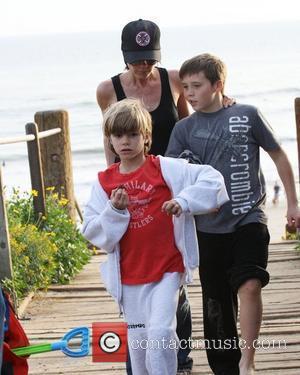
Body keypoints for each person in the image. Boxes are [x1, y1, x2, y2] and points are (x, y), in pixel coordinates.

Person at [96, 19, 233, 373]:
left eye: (149, 58)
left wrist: (224, 103)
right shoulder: (108, 89)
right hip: (132, 188)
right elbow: (110, 135)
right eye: (137, 59)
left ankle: (179, 359)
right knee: (143, 294)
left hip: (171, 183)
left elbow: (191, 120)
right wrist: (115, 185)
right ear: (125, 56)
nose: (144, 66)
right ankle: (144, 364)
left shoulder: (173, 79)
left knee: (174, 279)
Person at [166, 53, 300, 375]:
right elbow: (171, 178)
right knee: (217, 302)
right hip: (208, 228)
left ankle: (248, 361)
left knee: (250, 284)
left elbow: (279, 155)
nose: (190, 93)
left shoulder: (247, 115)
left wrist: (293, 204)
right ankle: (226, 366)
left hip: (248, 217)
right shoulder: (183, 130)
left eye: (197, 85)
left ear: (218, 85)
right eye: (185, 87)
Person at [82, 98, 229, 375]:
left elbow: (213, 180)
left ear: (146, 136)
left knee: (161, 333)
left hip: (166, 269)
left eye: (133, 134)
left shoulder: (166, 169)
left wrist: (184, 201)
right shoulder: (104, 183)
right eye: (118, 135)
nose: (125, 141)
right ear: (109, 140)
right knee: (139, 346)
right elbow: (93, 232)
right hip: (130, 277)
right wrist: (114, 211)